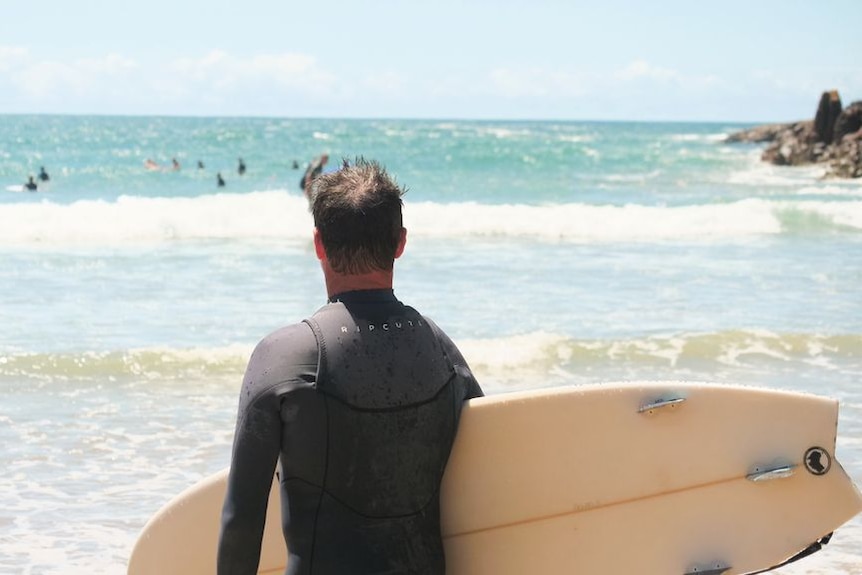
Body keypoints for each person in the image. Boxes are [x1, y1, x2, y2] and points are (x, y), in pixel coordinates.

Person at [218, 158, 483, 575]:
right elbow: (485, 476)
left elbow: (243, 520)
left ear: (319, 244)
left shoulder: (284, 357)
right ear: (400, 243)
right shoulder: (442, 351)